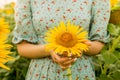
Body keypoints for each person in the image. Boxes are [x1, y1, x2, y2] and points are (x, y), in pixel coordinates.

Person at [12, 0, 110, 80]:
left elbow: (99, 42)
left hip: (81, 73)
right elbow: (22, 47)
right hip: (42, 74)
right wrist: (49, 49)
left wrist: (79, 47)